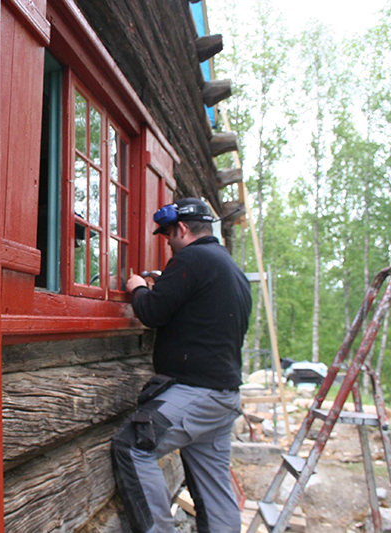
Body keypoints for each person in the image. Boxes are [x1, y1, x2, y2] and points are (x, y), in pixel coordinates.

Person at [111, 197, 252, 533]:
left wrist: (138, 289)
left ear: (182, 229)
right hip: (223, 397)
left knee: (132, 445)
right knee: (215, 487)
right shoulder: (230, 269)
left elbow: (152, 313)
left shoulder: (191, 259)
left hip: (196, 395)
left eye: (168, 235)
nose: (168, 243)